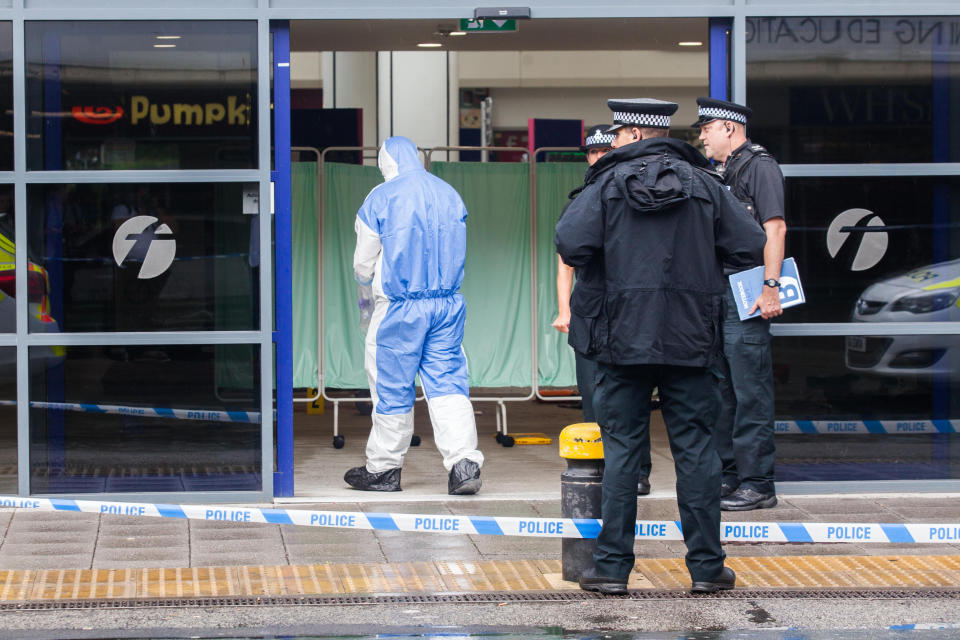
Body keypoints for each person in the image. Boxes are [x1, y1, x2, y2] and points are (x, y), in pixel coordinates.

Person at [555, 98, 766, 595]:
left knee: (623, 452)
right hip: (691, 340)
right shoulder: (707, 185)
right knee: (696, 452)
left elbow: (571, 243)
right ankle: (708, 569)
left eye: (617, 135)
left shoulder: (605, 185)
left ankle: (610, 569)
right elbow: (750, 244)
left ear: (629, 135)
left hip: (618, 341)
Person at [344, 136, 484, 495]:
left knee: (392, 389)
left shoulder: (381, 196)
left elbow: (363, 260)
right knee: (449, 384)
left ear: (386, 163)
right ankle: (464, 465)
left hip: (399, 309)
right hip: (447, 306)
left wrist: (364, 282)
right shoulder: (448, 192)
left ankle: (383, 469)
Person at [694, 97, 787, 512]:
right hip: (719, 290)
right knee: (722, 390)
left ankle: (757, 482)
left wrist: (771, 286)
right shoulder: (722, 173)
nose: (702, 137)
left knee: (749, 389)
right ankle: (730, 475)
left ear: (729, 128)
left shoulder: (759, 167)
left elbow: (775, 227)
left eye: (707, 129)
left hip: (748, 288)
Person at [553, 124, 652, 496]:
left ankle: (638, 470)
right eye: (592, 154)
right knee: (594, 395)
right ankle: (602, 464)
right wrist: (565, 310)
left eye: (602, 152)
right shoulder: (580, 201)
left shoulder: (638, 195)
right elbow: (565, 263)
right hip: (592, 313)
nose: (597, 159)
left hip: (629, 312)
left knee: (631, 394)